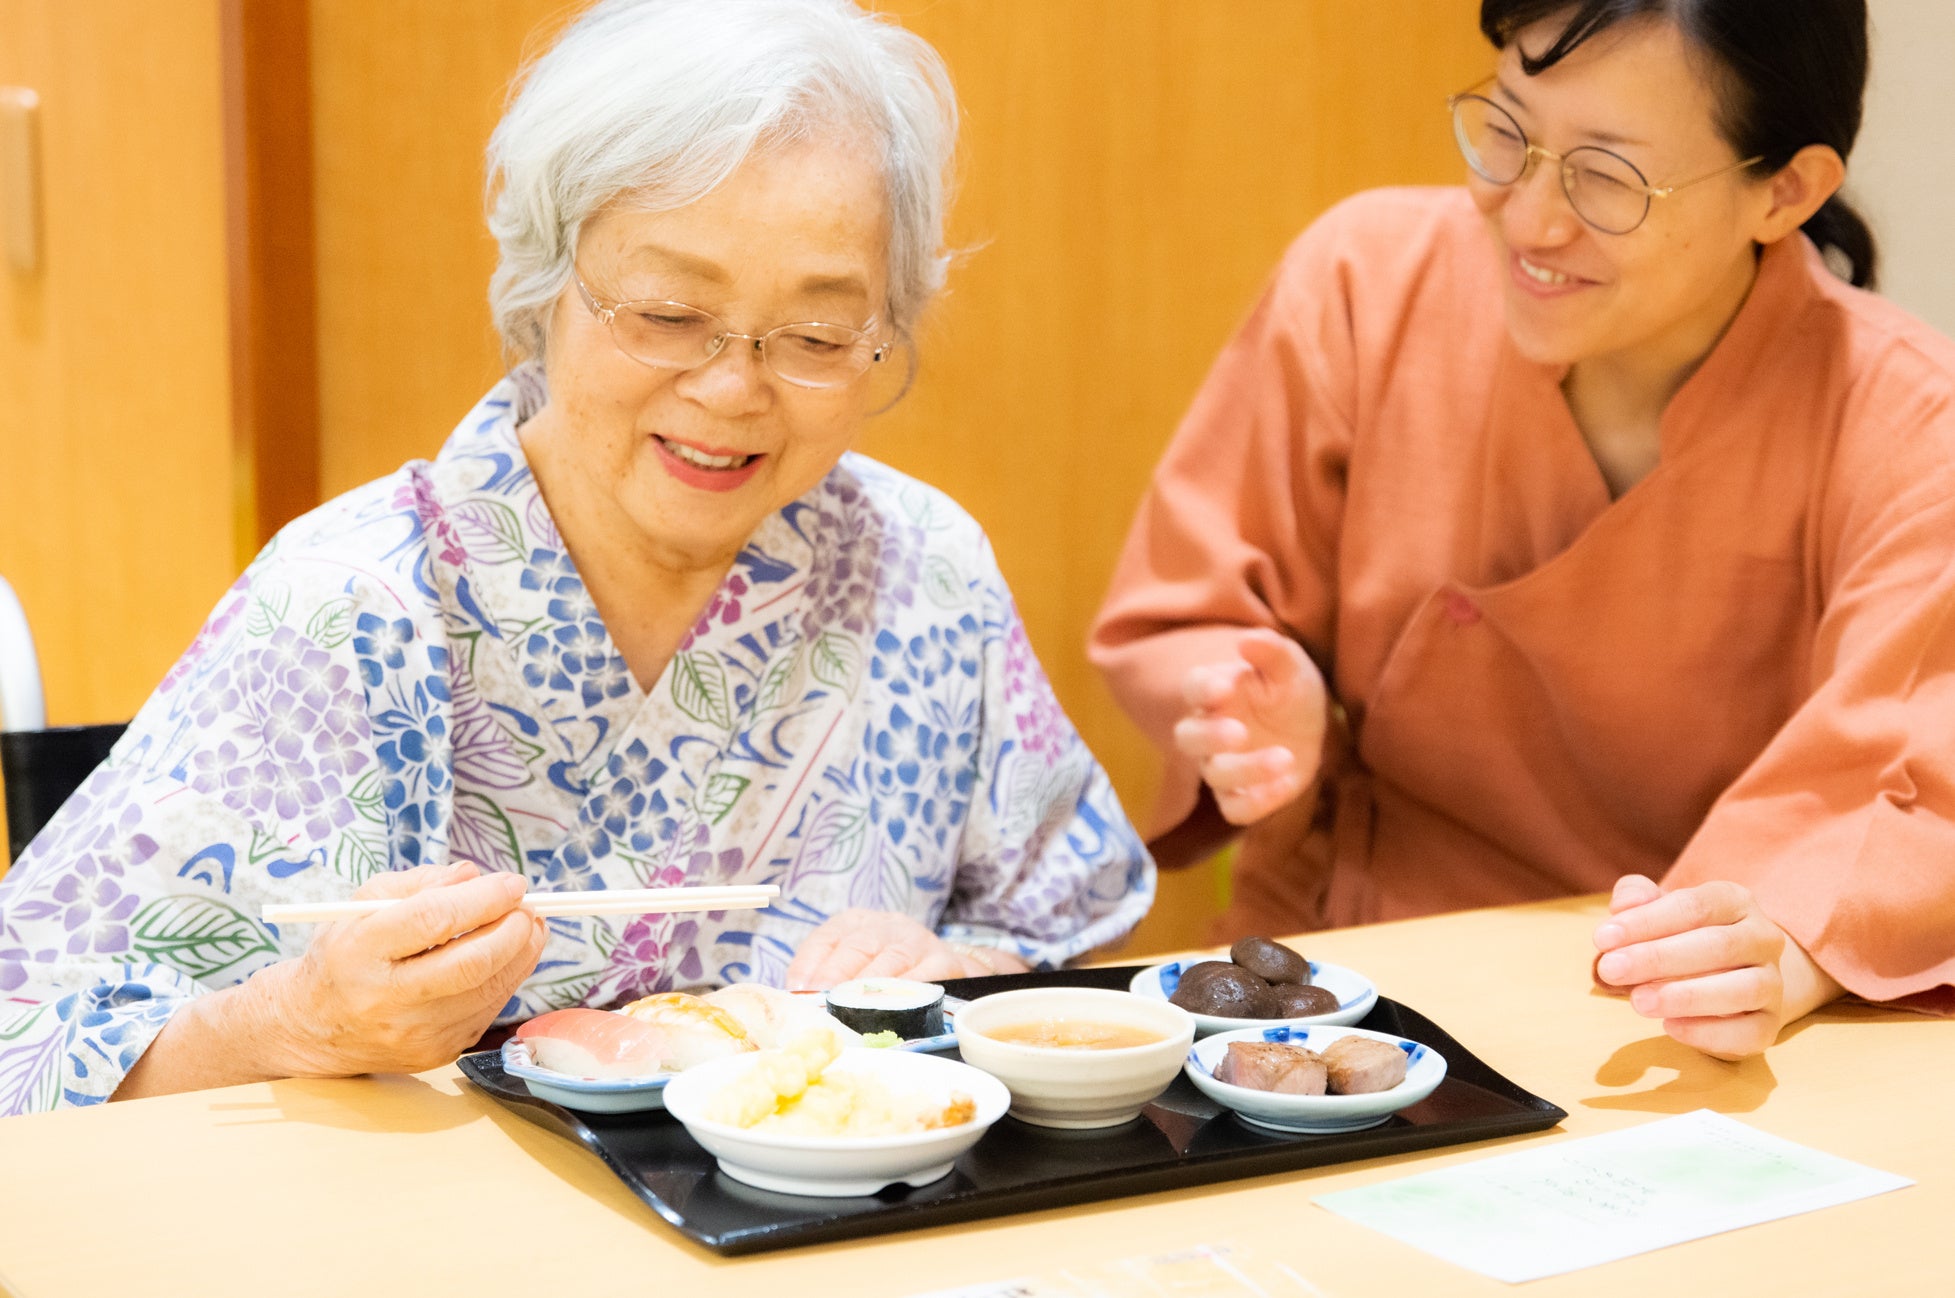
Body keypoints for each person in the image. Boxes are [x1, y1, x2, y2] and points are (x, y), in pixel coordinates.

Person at [0, 0, 1152, 1116]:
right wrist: (292, 1023)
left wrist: (958, 972)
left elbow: (1072, 931)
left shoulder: (921, 568)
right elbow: (23, 1048)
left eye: (812, 335)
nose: (732, 388)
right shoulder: (351, 606)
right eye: (664, 312)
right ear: (545, 279)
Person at [1090, 0, 1955, 1060]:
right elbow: (1194, 607)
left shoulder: (1909, 425)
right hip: (1343, 983)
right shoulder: (1366, 282)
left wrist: (1772, 943)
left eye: (1604, 177)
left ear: (1784, 191)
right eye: (1505, 132)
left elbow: (1907, 793)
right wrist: (1260, 708)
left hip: (1671, 1022)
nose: (1528, 218)